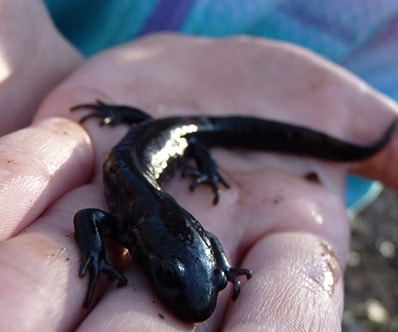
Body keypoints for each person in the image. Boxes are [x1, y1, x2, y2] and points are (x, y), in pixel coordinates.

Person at [0, 1, 397, 331]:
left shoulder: (142, 227)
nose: (196, 293)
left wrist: (220, 267)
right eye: (170, 274)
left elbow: (102, 220)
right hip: (161, 132)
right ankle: (131, 117)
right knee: (178, 135)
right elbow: (87, 218)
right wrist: (94, 254)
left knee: (193, 138)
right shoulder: (131, 223)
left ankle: (203, 157)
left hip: (185, 136)